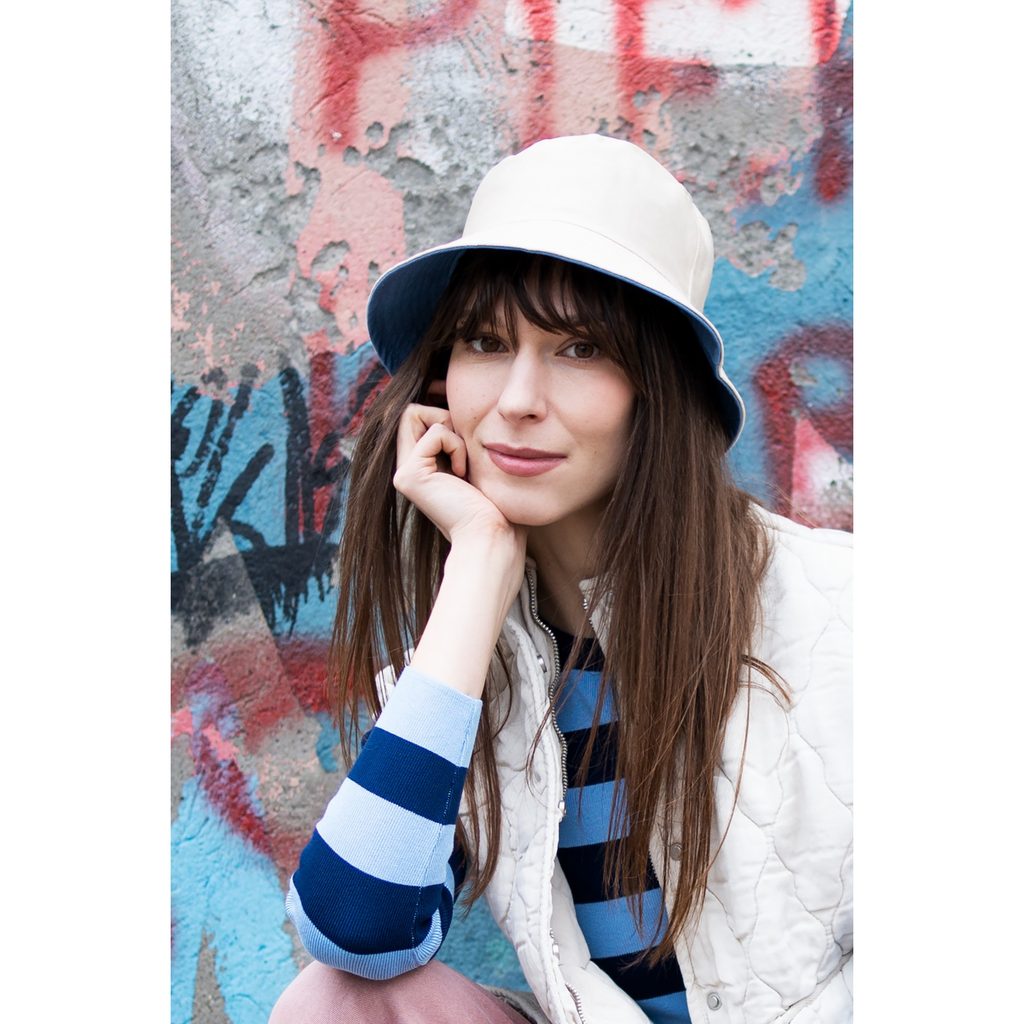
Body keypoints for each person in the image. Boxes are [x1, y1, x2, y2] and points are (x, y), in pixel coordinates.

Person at [269, 134, 852, 1024]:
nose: (517, 400)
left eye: (579, 349)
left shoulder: (838, 608)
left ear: (657, 387)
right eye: (485, 342)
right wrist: (478, 567)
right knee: (333, 1004)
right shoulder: (467, 667)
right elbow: (355, 926)